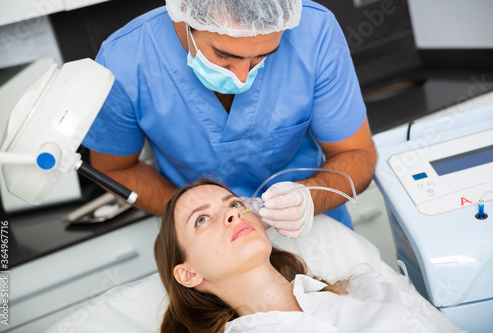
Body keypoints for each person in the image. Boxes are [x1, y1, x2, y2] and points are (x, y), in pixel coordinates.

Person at [82, 0, 378, 236]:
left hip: (316, 232)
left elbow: (358, 155)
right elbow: (116, 170)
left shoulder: (313, 31)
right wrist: (200, 216)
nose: (242, 78)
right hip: (213, 245)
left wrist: (309, 200)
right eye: (225, 56)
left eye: (263, 57)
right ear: (183, 14)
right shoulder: (125, 60)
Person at [154, 178, 464, 333]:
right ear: (188, 273)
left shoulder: (365, 287)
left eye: (234, 204)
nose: (233, 215)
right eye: (201, 219)